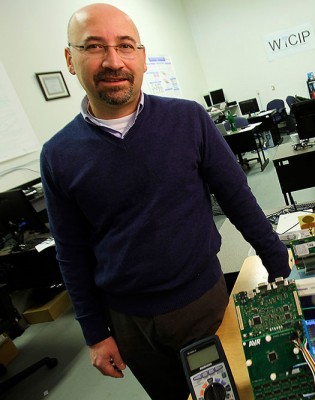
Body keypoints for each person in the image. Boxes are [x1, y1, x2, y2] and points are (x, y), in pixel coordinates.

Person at [40, 4, 290, 399]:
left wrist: (277, 260)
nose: (113, 61)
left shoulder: (189, 119)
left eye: (125, 46)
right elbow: (71, 253)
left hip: (202, 303)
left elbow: (237, 197)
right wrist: (95, 333)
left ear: (141, 56)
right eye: (94, 47)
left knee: (235, 392)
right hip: (129, 324)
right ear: (71, 60)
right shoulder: (57, 155)